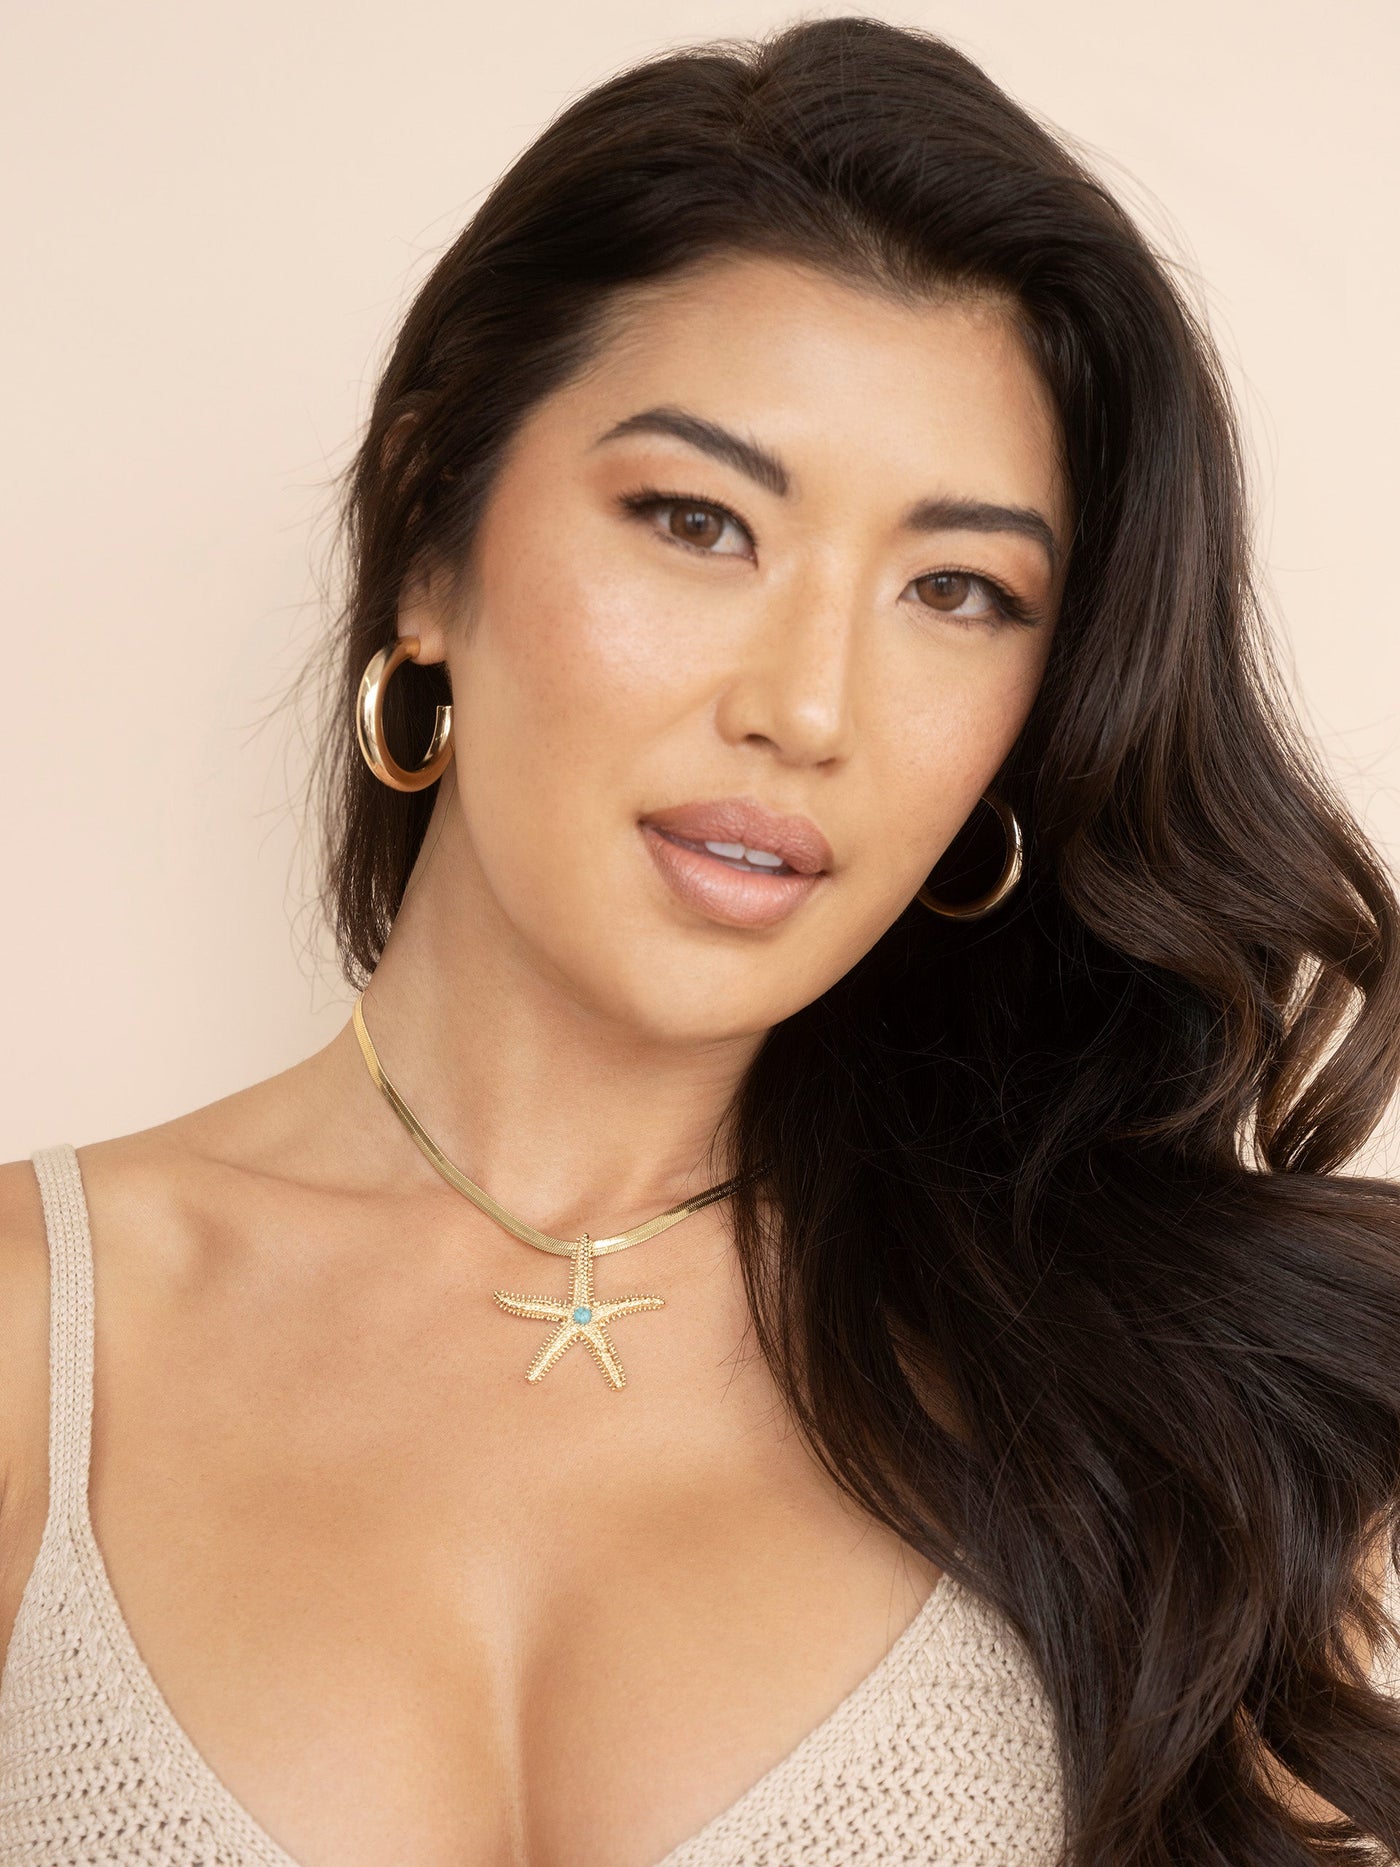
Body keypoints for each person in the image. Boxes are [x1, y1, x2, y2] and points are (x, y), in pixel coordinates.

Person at [1, 15, 1396, 1866]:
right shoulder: (37, 1337)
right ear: (433, 536)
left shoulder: (1184, 1407)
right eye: (697, 520)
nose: (810, 708)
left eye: (956, 591)